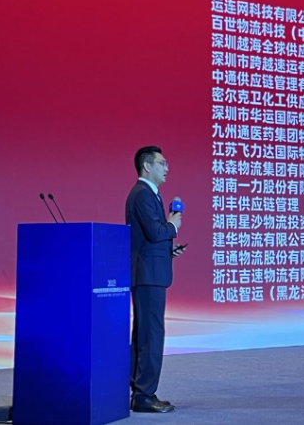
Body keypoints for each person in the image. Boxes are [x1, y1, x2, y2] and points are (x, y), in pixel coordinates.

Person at [126, 146, 186, 413]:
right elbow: (154, 231)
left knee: (144, 334)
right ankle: (144, 395)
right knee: (151, 335)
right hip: (147, 276)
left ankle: (138, 391)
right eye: (162, 163)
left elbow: (148, 238)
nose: (167, 167)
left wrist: (168, 250)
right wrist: (172, 224)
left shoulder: (150, 194)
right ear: (147, 166)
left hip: (150, 272)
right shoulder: (142, 193)